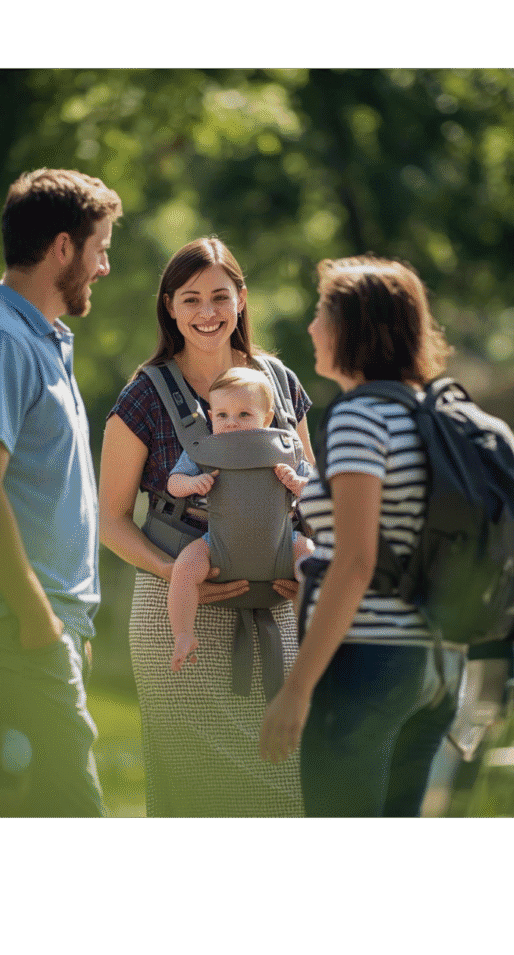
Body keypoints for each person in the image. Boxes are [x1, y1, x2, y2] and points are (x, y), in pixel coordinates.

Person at [0, 168, 122, 817]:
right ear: (62, 248)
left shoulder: (34, 338)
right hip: (6, 626)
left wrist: (63, 619)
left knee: (4, 816)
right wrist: (38, 618)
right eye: (99, 248)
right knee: (73, 813)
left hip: (28, 626)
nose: (104, 265)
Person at [99, 237, 314, 817]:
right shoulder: (143, 396)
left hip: (276, 614)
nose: (207, 312)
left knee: (278, 788)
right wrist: (179, 574)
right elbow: (109, 520)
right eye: (191, 299)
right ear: (169, 306)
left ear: (241, 300)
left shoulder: (281, 383)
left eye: (220, 296)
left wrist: (305, 569)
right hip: (180, 621)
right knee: (195, 794)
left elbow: (313, 488)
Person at [259, 254, 466, 818]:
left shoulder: (359, 416)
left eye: (322, 312)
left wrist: (297, 690)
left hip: (369, 662)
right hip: (435, 666)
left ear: (353, 327)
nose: (311, 327)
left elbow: (355, 562)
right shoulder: (426, 413)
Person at [166, 366, 314, 673]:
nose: (231, 423)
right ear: (210, 415)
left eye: (244, 414)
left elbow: (318, 491)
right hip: (218, 544)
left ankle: (311, 637)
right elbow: (173, 482)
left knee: (314, 564)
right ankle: (183, 634)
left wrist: (298, 485)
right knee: (184, 568)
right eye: (222, 415)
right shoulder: (205, 449)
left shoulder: (286, 447)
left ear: (267, 416)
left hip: (283, 543)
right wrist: (192, 484)